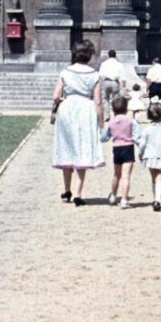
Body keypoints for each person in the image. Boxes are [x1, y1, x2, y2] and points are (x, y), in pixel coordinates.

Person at [51, 40, 105, 207]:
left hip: (67, 108)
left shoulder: (65, 72)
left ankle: (67, 189)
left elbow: (55, 96)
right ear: (89, 55)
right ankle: (78, 193)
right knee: (82, 148)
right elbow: (98, 101)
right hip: (85, 109)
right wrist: (101, 122)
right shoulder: (94, 74)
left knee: (67, 147)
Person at [101, 95, 141, 209]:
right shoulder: (131, 121)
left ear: (113, 109)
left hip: (116, 149)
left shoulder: (111, 122)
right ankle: (124, 200)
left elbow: (104, 138)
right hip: (128, 148)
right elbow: (137, 137)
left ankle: (113, 196)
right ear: (126, 108)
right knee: (126, 176)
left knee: (116, 174)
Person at [97, 49, 126, 119]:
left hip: (106, 81)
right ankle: (115, 114)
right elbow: (122, 76)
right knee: (116, 99)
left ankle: (106, 115)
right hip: (115, 82)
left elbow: (100, 75)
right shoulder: (119, 64)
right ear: (115, 55)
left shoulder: (104, 64)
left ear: (108, 55)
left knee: (105, 99)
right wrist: (124, 85)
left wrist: (100, 84)